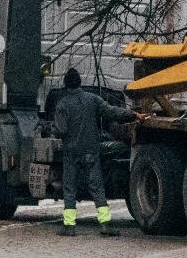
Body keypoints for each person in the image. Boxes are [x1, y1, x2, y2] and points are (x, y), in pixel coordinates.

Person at [49, 68, 136, 236]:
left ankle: (69, 226)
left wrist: (52, 127)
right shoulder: (93, 99)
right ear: (80, 83)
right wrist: (132, 115)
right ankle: (105, 224)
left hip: (71, 153)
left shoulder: (62, 104)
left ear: (66, 85)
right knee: (97, 187)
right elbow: (112, 112)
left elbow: (61, 129)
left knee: (69, 188)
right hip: (90, 151)